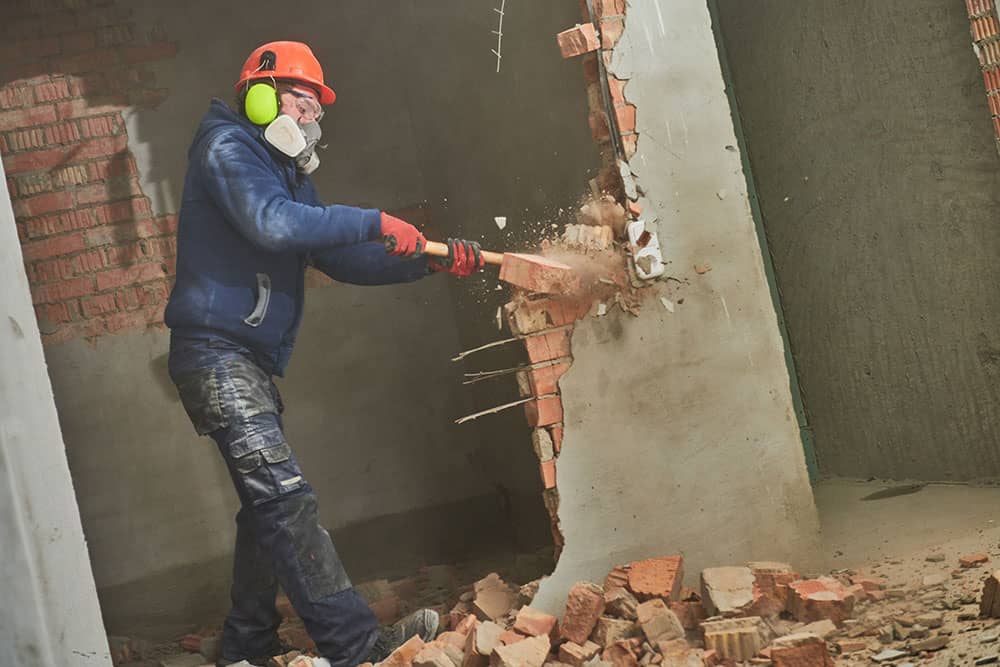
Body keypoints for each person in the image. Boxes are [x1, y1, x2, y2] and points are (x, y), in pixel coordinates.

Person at [163, 41, 484, 667]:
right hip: (215, 354)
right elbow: (273, 225)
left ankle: (246, 645)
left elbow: (335, 257)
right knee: (284, 498)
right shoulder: (227, 149)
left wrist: (432, 263)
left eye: (316, 106)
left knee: (266, 509)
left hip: (243, 359)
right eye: (303, 100)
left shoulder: (283, 173)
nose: (312, 116)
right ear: (260, 97)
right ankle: (356, 645)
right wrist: (373, 218)